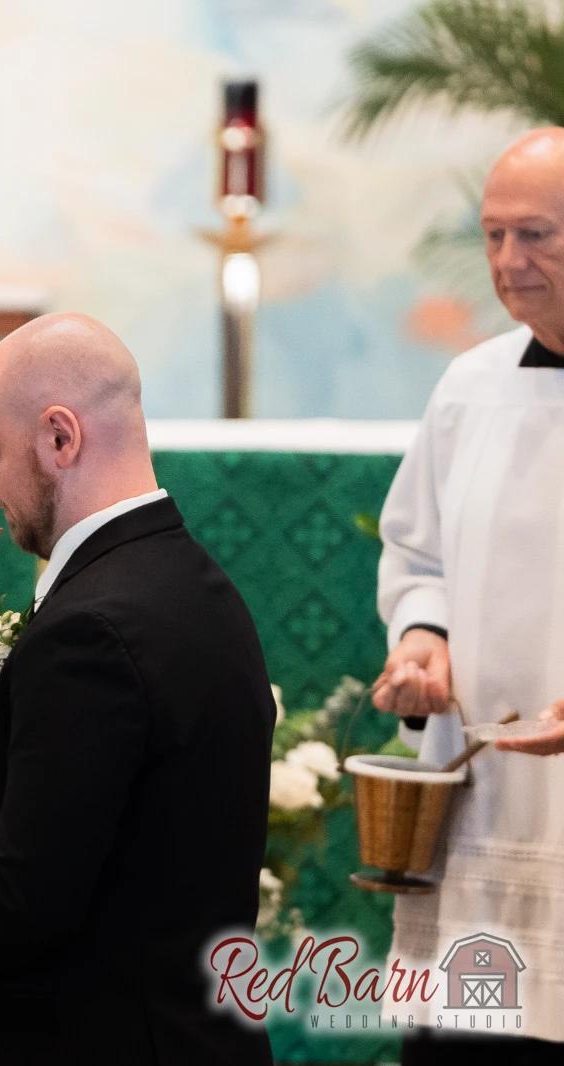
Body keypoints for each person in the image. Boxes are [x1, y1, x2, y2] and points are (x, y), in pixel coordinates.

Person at [0, 314, 276, 1064]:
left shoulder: (90, 628)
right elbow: (104, 846)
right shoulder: (189, 578)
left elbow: (32, 899)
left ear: (60, 437)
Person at [372, 127, 564, 1062]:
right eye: (493, 235)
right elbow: (419, 554)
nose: (508, 262)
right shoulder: (469, 388)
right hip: (481, 810)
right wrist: (423, 641)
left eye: (537, 235)